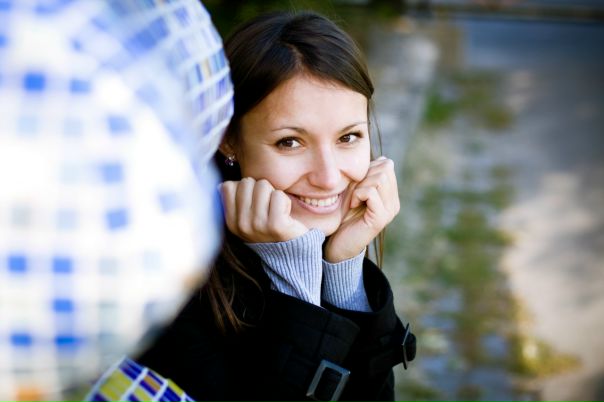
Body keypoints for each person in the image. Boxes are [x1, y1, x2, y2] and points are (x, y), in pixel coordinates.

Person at [138, 10, 416, 402]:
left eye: (348, 137)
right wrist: (296, 286)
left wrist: (345, 272)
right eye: (290, 142)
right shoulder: (176, 282)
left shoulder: (333, 243)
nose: (328, 177)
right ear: (228, 140)